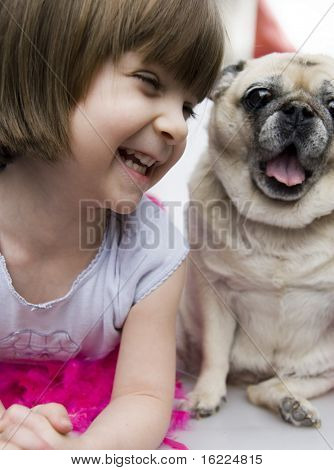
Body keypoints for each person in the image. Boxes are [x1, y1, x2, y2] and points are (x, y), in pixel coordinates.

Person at [0, 0, 224, 449]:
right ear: (48, 67)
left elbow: (143, 396)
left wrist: (79, 455)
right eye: (148, 82)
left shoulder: (154, 254)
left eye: (187, 107)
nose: (178, 128)